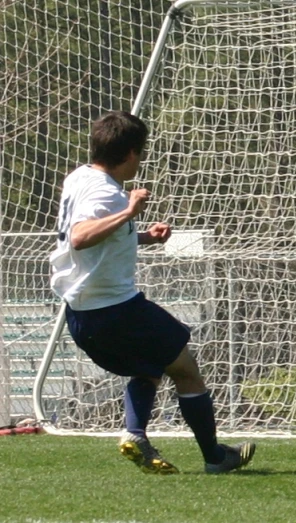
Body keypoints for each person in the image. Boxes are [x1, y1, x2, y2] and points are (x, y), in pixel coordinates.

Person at [50, 111, 255, 474]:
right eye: (140, 153)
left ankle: (136, 434)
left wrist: (142, 236)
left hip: (82, 314)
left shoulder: (79, 177)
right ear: (130, 153)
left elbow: (92, 237)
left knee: (150, 367)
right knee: (187, 369)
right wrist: (130, 211)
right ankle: (216, 457)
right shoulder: (107, 193)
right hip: (115, 309)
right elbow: (81, 237)